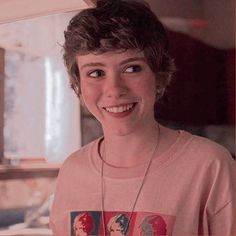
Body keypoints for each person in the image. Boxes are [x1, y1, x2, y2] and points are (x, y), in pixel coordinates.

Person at [50, 0, 236, 235]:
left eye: (131, 68)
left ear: (158, 76)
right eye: (96, 73)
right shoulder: (72, 172)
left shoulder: (210, 165)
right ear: (77, 84)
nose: (115, 89)